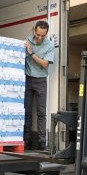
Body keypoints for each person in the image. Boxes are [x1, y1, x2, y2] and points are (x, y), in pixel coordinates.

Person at [23, 20, 55, 151]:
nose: (40, 37)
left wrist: (31, 53)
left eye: (43, 35)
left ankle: (42, 142)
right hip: (27, 78)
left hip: (41, 80)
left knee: (41, 112)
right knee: (27, 111)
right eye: (38, 34)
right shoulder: (27, 41)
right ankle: (26, 140)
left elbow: (44, 64)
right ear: (33, 30)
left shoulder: (49, 45)